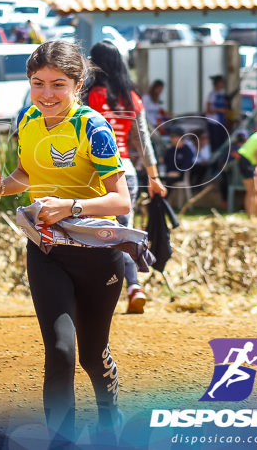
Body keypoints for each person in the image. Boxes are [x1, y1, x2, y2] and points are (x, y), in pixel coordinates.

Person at [0, 40, 131, 448]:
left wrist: (71, 207)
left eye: (58, 84)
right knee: (60, 350)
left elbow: (121, 200)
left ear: (77, 85)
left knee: (93, 356)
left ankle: (109, 420)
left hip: (98, 253)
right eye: (37, 83)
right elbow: (24, 177)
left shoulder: (92, 126)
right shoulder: (27, 119)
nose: (46, 94)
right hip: (46, 251)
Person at [84, 40, 167, 313]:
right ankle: (134, 287)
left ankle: (93, 294)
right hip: (125, 173)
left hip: (91, 174)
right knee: (122, 234)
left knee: (88, 236)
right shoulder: (132, 98)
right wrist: (154, 177)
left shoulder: (87, 95)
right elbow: (143, 141)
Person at [205, 75, 230, 153]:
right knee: (215, 144)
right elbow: (208, 110)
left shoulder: (221, 94)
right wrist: (219, 110)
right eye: (222, 82)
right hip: (213, 122)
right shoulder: (212, 94)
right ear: (218, 83)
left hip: (220, 122)